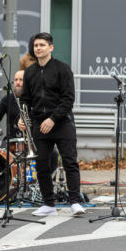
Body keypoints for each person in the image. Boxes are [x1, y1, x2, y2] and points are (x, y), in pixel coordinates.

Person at [18, 32, 85, 217]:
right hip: (39, 124)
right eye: (36, 45)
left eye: (42, 45)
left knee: (70, 162)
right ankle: (48, 204)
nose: (38, 48)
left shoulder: (62, 69)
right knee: (41, 164)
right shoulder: (29, 72)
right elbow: (25, 98)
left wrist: (53, 119)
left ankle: (75, 202)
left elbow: (68, 99)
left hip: (62, 123)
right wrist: (22, 117)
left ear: (51, 47)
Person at [0, 70, 25, 139]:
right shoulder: (7, 98)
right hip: (11, 139)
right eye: (16, 80)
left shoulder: (33, 98)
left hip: (29, 140)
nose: (17, 82)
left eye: (21, 80)